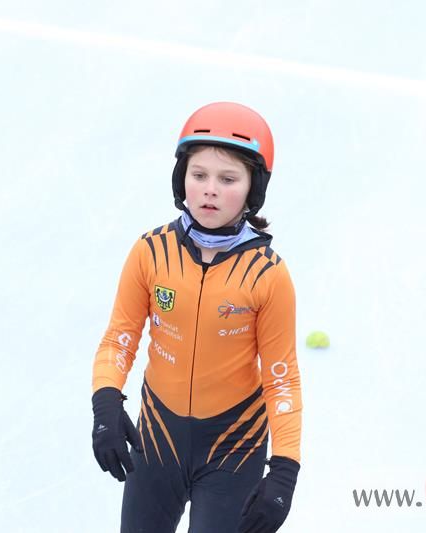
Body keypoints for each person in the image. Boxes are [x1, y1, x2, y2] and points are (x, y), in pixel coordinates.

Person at [91, 102, 302, 533]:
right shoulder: (151, 252)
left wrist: (285, 469)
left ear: (253, 188)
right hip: (157, 440)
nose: (210, 190)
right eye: (199, 174)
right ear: (181, 178)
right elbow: (119, 338)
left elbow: (282, 377)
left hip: (234, 448)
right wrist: (106, 402)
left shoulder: (267, 275)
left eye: (228, 179)